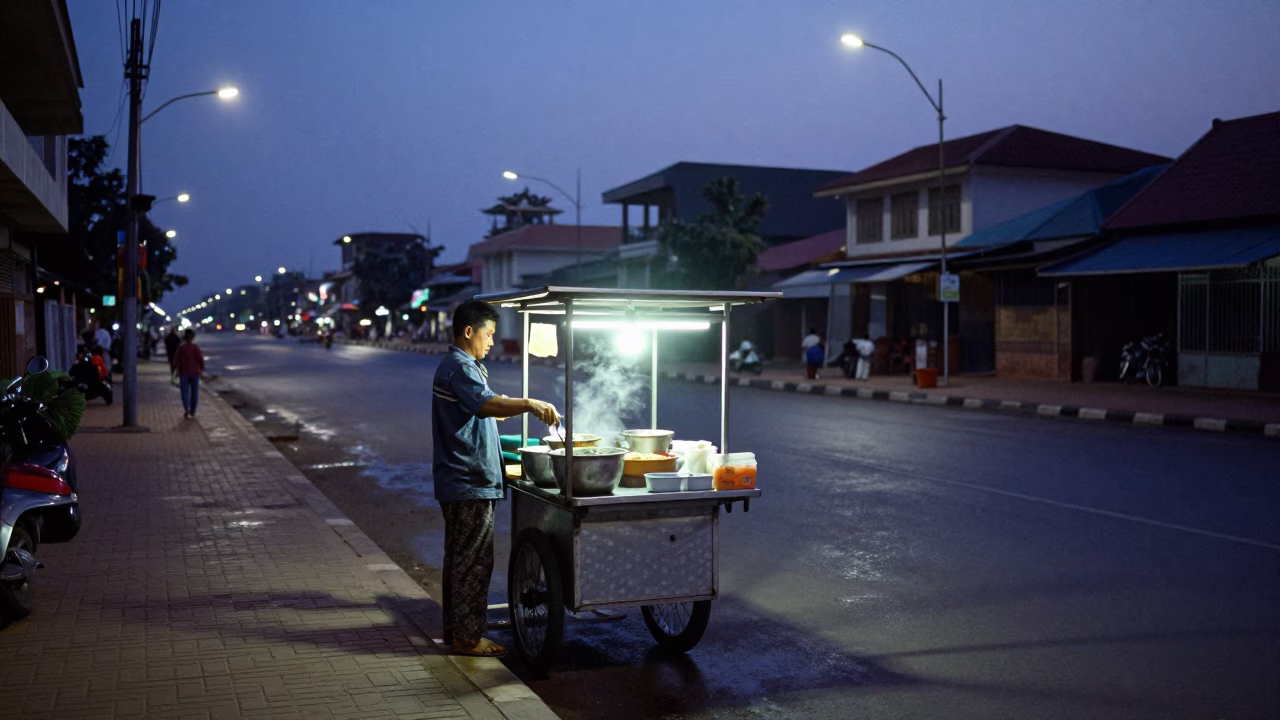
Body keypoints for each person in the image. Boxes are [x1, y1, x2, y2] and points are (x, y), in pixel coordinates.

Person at [432, 300, 560, 658]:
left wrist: (503, 406)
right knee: (473, 561)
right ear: (469, 331)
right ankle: (468, 639)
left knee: (460, 559)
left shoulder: (461, 367)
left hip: (462, 480)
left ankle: (456, 633)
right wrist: (529, 403)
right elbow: (484, 405)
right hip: (468, 479)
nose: (491, 342)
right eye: (488, 334)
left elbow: (482, 405)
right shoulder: (459, 367)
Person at [175, 329, 204, 418]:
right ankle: (193, 410)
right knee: (194, 392)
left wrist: (176, 370)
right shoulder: (195, 347)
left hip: (184, 372)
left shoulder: (181, 348)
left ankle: (187, 409)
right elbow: (200, 359)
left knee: (185, 392)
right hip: (195, 372)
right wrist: (201, 369)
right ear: (193, 337)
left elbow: (176, 360)